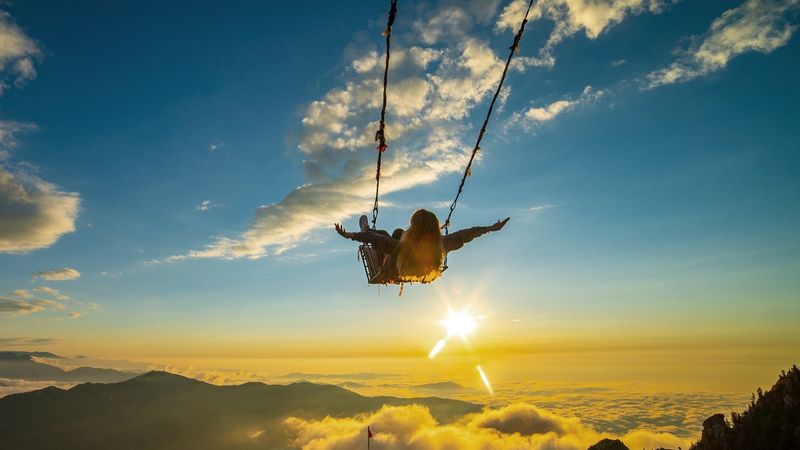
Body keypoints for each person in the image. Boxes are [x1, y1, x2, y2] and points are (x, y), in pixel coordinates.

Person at [335, 209, 509, 282]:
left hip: (391, 268)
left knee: (385, 236)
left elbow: (377, 240)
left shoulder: (403, 247)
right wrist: (489, 229)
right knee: (396, 234)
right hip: (419, 270)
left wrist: (350, 235)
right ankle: (367, 230)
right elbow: (464, 235)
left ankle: (365, 227)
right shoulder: (440, 245)